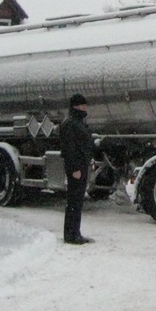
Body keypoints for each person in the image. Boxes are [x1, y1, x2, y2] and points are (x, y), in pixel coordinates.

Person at [59, 92, 95, 245]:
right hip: (76, 167)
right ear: (75, 106)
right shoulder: (70, 124)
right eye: (82, 105)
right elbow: (70, 148)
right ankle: (71, 235)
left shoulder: (78, 122)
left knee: (78, 201)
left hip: (82, 165)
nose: (84, 107)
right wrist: (75, 168)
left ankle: (76, 232)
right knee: (74, 201)